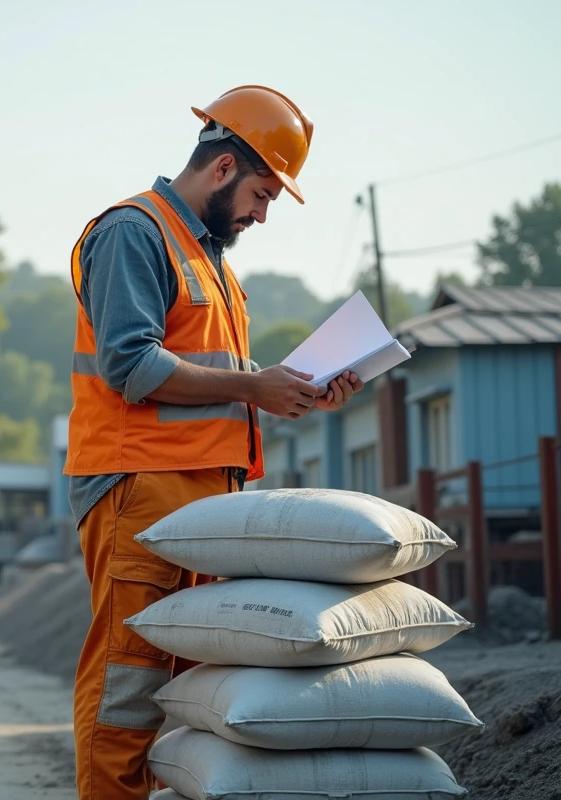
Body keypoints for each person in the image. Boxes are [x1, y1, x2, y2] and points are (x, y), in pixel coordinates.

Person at [65, 85, 364, 799]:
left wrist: (294, 390)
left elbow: (223, 383)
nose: (263, 215)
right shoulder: (133, 232)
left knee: (195, 694)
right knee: (129, 686)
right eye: (263, 194)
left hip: (205, 499)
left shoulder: (211, 260)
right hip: (142, 489)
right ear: (224, 168)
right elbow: (131, 367)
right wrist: (255, 386)